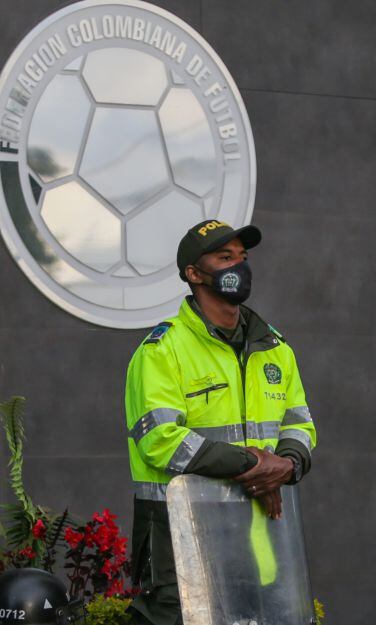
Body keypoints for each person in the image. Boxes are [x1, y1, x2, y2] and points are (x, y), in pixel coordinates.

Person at [123, 221, 316, 625]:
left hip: (261, 544)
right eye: (224, 258)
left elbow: (299, 423)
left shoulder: (276, 349)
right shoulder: (162, 351)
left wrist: (290, 462)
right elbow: (161, 440)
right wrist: (253, 465)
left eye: (242, 258)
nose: (239, 267)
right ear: (194, 274)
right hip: (181, 544)